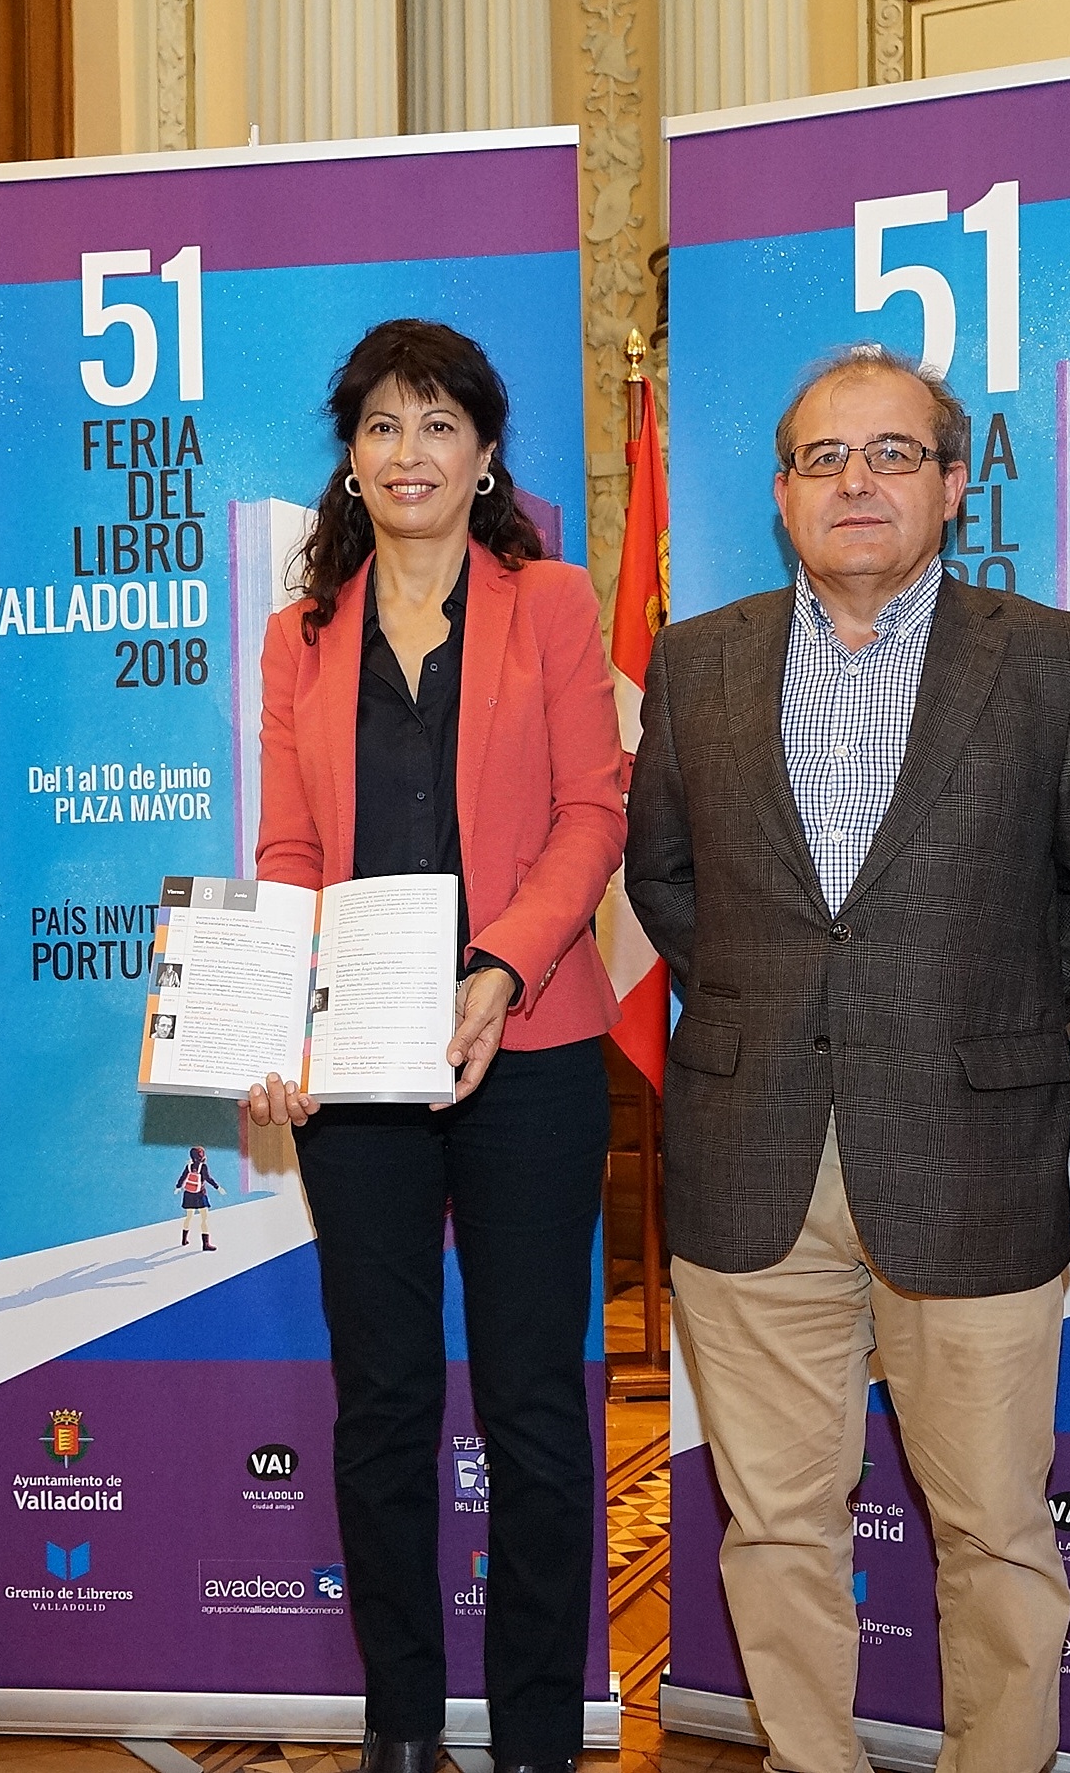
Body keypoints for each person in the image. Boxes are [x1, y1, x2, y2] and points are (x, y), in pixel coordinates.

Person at [626, 346, 1070, 1773]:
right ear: (782, 494)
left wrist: (978, 1020)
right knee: (775, 1523)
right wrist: (772, 1005)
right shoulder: (695, 661)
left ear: (951, 481)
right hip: (751, 1153)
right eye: (823, 458)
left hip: (968, 1153)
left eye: (890, 454)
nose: (855, 481)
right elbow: (663, 876)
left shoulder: (1055, 660)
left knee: (994, 1526)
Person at [242, 319, 626, 1773]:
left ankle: (534, 1735)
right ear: (350, 456)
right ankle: (400, 1722)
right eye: (382, 425)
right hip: (356, 1063)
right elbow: (289, 847)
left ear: (484, 455)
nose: (409, 452)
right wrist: (273, 1014)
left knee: (530, 1403)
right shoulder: (300, 636)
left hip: (529, 1046)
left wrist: (499, 962)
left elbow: (593, 809)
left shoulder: (552, 603)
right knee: (385, 1400)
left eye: (439, 424)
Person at [178, 1145, 221, 1249]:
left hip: (188, 1194)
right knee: (204, 1219)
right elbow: (208, 1178)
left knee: (188, 1217)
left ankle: (184, 1240)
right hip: (200, 1194)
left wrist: (178, 1187)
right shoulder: (203, 1167)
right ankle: (206, 1244)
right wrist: (217, 1187)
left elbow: (182, 1178)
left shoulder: (188, 1166)